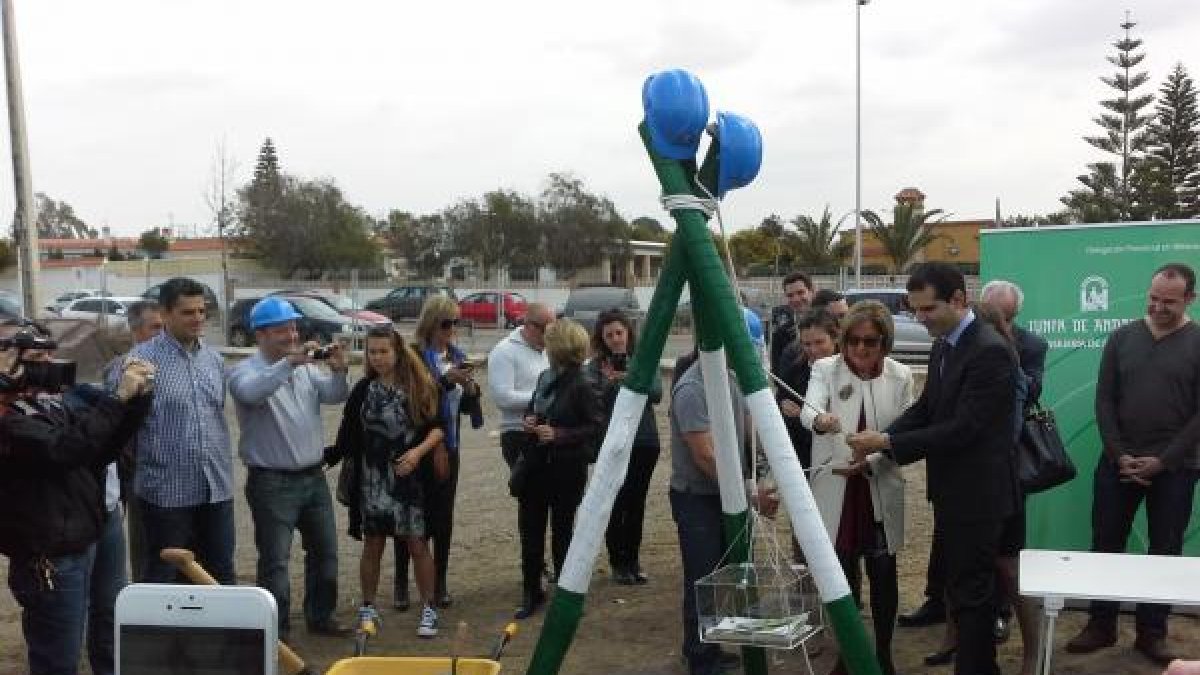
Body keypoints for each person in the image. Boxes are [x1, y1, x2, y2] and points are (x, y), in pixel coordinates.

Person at [848, 262, 1020, 675]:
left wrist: (887, 442)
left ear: (958, 300)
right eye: (915, 310)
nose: (919, 319)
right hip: (952, 492)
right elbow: (927, 409)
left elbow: (964, 428)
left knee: (973, 594)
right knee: (960, 590)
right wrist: (879, 446)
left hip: (980, 496)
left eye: (928, 310)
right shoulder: (947, 342)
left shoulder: (989, 351)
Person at [1066, 262, 1200, 667]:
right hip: (1118, 464)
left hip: (1176, 468)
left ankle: (1151, 633)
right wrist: (1119, 453)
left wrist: (1163, 461)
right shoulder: (1122, 336)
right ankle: (1100, 624)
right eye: (1153, 298)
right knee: (1105, 544)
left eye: (1169, 302)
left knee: (1165, 551)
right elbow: (1104, 400)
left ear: (1189, 299)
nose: (1158, 307)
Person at [0, 324, 154, 675]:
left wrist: (138, 402)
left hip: (85, 535)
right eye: (38, 358)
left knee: (106, 617)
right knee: (58, 658)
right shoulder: (8, 419)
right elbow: (67, 449)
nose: (51, 364)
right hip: (50, 556)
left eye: (50, 355)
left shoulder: (47, 403)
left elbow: (97, 450)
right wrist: (117, 399)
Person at [228, 297, 351, 640]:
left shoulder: (305, 368)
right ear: (261, 334)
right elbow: (252, 394)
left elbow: (334, 396)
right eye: (283, 329)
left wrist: (339, 369)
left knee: (325, 553)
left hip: (312, 476)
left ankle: (321, 616)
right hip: (271, 481)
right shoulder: (244, 371)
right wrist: (290, 364)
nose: (292, 334)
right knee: (275, 561)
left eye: (294, 327)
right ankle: (276, 628)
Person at [801, 300, 913, 675]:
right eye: (852, 341)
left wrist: (873, 459)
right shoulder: (824, 369)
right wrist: (821, 419)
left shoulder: (901, 376)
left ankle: (883, 653)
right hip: (837, 488)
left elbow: (905, 434)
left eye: (871, 341)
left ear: (886, 342)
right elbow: (808, 409)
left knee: (884, 574)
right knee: (842, 575)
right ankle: (848, 653)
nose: (860, 349)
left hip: (877, 485)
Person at [670, 313, 779, 675]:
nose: (749, 353)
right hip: (698, 497)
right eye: (744, 346)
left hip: (729, 493)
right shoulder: (692, 389)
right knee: (703, 577)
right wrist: (748, 497)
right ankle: (700, 656)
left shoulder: (730, 379)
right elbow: (705, 456)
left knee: (732, 572)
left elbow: (751, 433)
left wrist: (765, 471)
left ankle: (713, 647)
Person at [331, 326, 445, 638]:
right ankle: (367, 607)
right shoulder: (363, 389)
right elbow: (347, 435)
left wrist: (417, 454)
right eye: (372, 351)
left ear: (398, 351)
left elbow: (438, 428)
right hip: (372, 481)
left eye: (384, 351)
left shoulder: (419, 385)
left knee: (418, 544)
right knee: (373, 544)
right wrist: (330, 457)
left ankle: (428, 608)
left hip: (409, 479)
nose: (378, 357)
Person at [127, 277, 237, 585]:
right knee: (165, 582)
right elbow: (120, 424)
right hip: (166, 497)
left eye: (202, 311)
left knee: (219, 576)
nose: (198, 319)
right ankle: (169, 637)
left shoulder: (214, 361)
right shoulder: (139, 362)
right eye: (188, 312)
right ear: (164, 314)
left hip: (215, 490)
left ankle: (218, 635)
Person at [394, 296, 483, 611]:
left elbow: (464, 407)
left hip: (449, 446)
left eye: (457, 322)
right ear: (431, 323)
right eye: (447, 323)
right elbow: (413, 398)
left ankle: (440, 582)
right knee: (413, 515)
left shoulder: (457, 356)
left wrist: (471, 391)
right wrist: (446, 381)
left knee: (443, 518)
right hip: (418, 446)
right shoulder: (413, 356)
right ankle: (402, 584)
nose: (453, 329)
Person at [511, 319, 601, 618]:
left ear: (559, 348)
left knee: (563, 533)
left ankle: (566, 596)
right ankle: (531, 592)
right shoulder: (544, 377)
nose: (544, 346)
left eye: (549, 342)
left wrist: (560, 434)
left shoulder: (582, 384)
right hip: (537, 466)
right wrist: (530, 420)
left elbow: (596, 427)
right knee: (530, 532)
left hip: (566, 468)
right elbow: (535, 407)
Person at [586, 309, 662, 585]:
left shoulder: (642, 360)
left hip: (643, 440)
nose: (616, 339)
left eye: (620, 333)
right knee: (616, 502)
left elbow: (655, 393)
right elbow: (594, 405)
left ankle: (633, 559)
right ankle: (618, 560)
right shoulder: (594, 367)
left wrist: (628, 377)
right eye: (609, 335)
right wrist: (609, 383)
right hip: (614, 443)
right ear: (601, 338)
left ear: (628, 333)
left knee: (637, 502)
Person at [112, 300, 163, 584]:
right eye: (156, 327)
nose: (162, 333)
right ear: (136, 330)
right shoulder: (122, 369)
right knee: (145, 546)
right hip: (140, 471)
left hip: (177, 474)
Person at [488, 302, 554, 469]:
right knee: (531, 492)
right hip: (517, 433)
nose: (551, 335)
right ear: (530, 326)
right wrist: (544, 396)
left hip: (547, 431)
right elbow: (503, 398)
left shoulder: (548, 350)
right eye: (547, 329)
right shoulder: (504, 351)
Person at [777, 309, 841, 470]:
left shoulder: (850, 369)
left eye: (820, 342)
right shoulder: (794, 371)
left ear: (835, 338)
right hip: (806, 456)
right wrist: (785, 407)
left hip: (840, 454)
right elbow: (782, 403)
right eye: (807, 344)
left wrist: (804, 414)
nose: (813, 350)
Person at [769, 272, 814, 374]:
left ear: (811, 292)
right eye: (790, 295)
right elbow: (777, 372)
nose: (796, 299)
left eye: (800, 292)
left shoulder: (829, 324)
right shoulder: (780, 334)